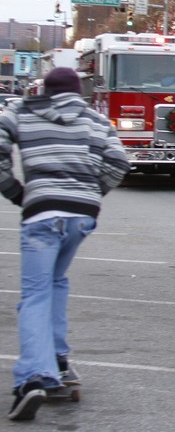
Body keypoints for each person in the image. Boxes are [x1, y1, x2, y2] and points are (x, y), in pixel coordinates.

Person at [0, 67, 129, 420]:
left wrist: (17, 192)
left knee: (35, 295)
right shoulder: (95, 119)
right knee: (55, 282)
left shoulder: (22, 111)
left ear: (45, 88)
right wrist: (91, 192)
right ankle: (57, 357)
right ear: (78, 91)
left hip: (43, 212)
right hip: (81, 213)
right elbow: (119, 161)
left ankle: (33, 378)